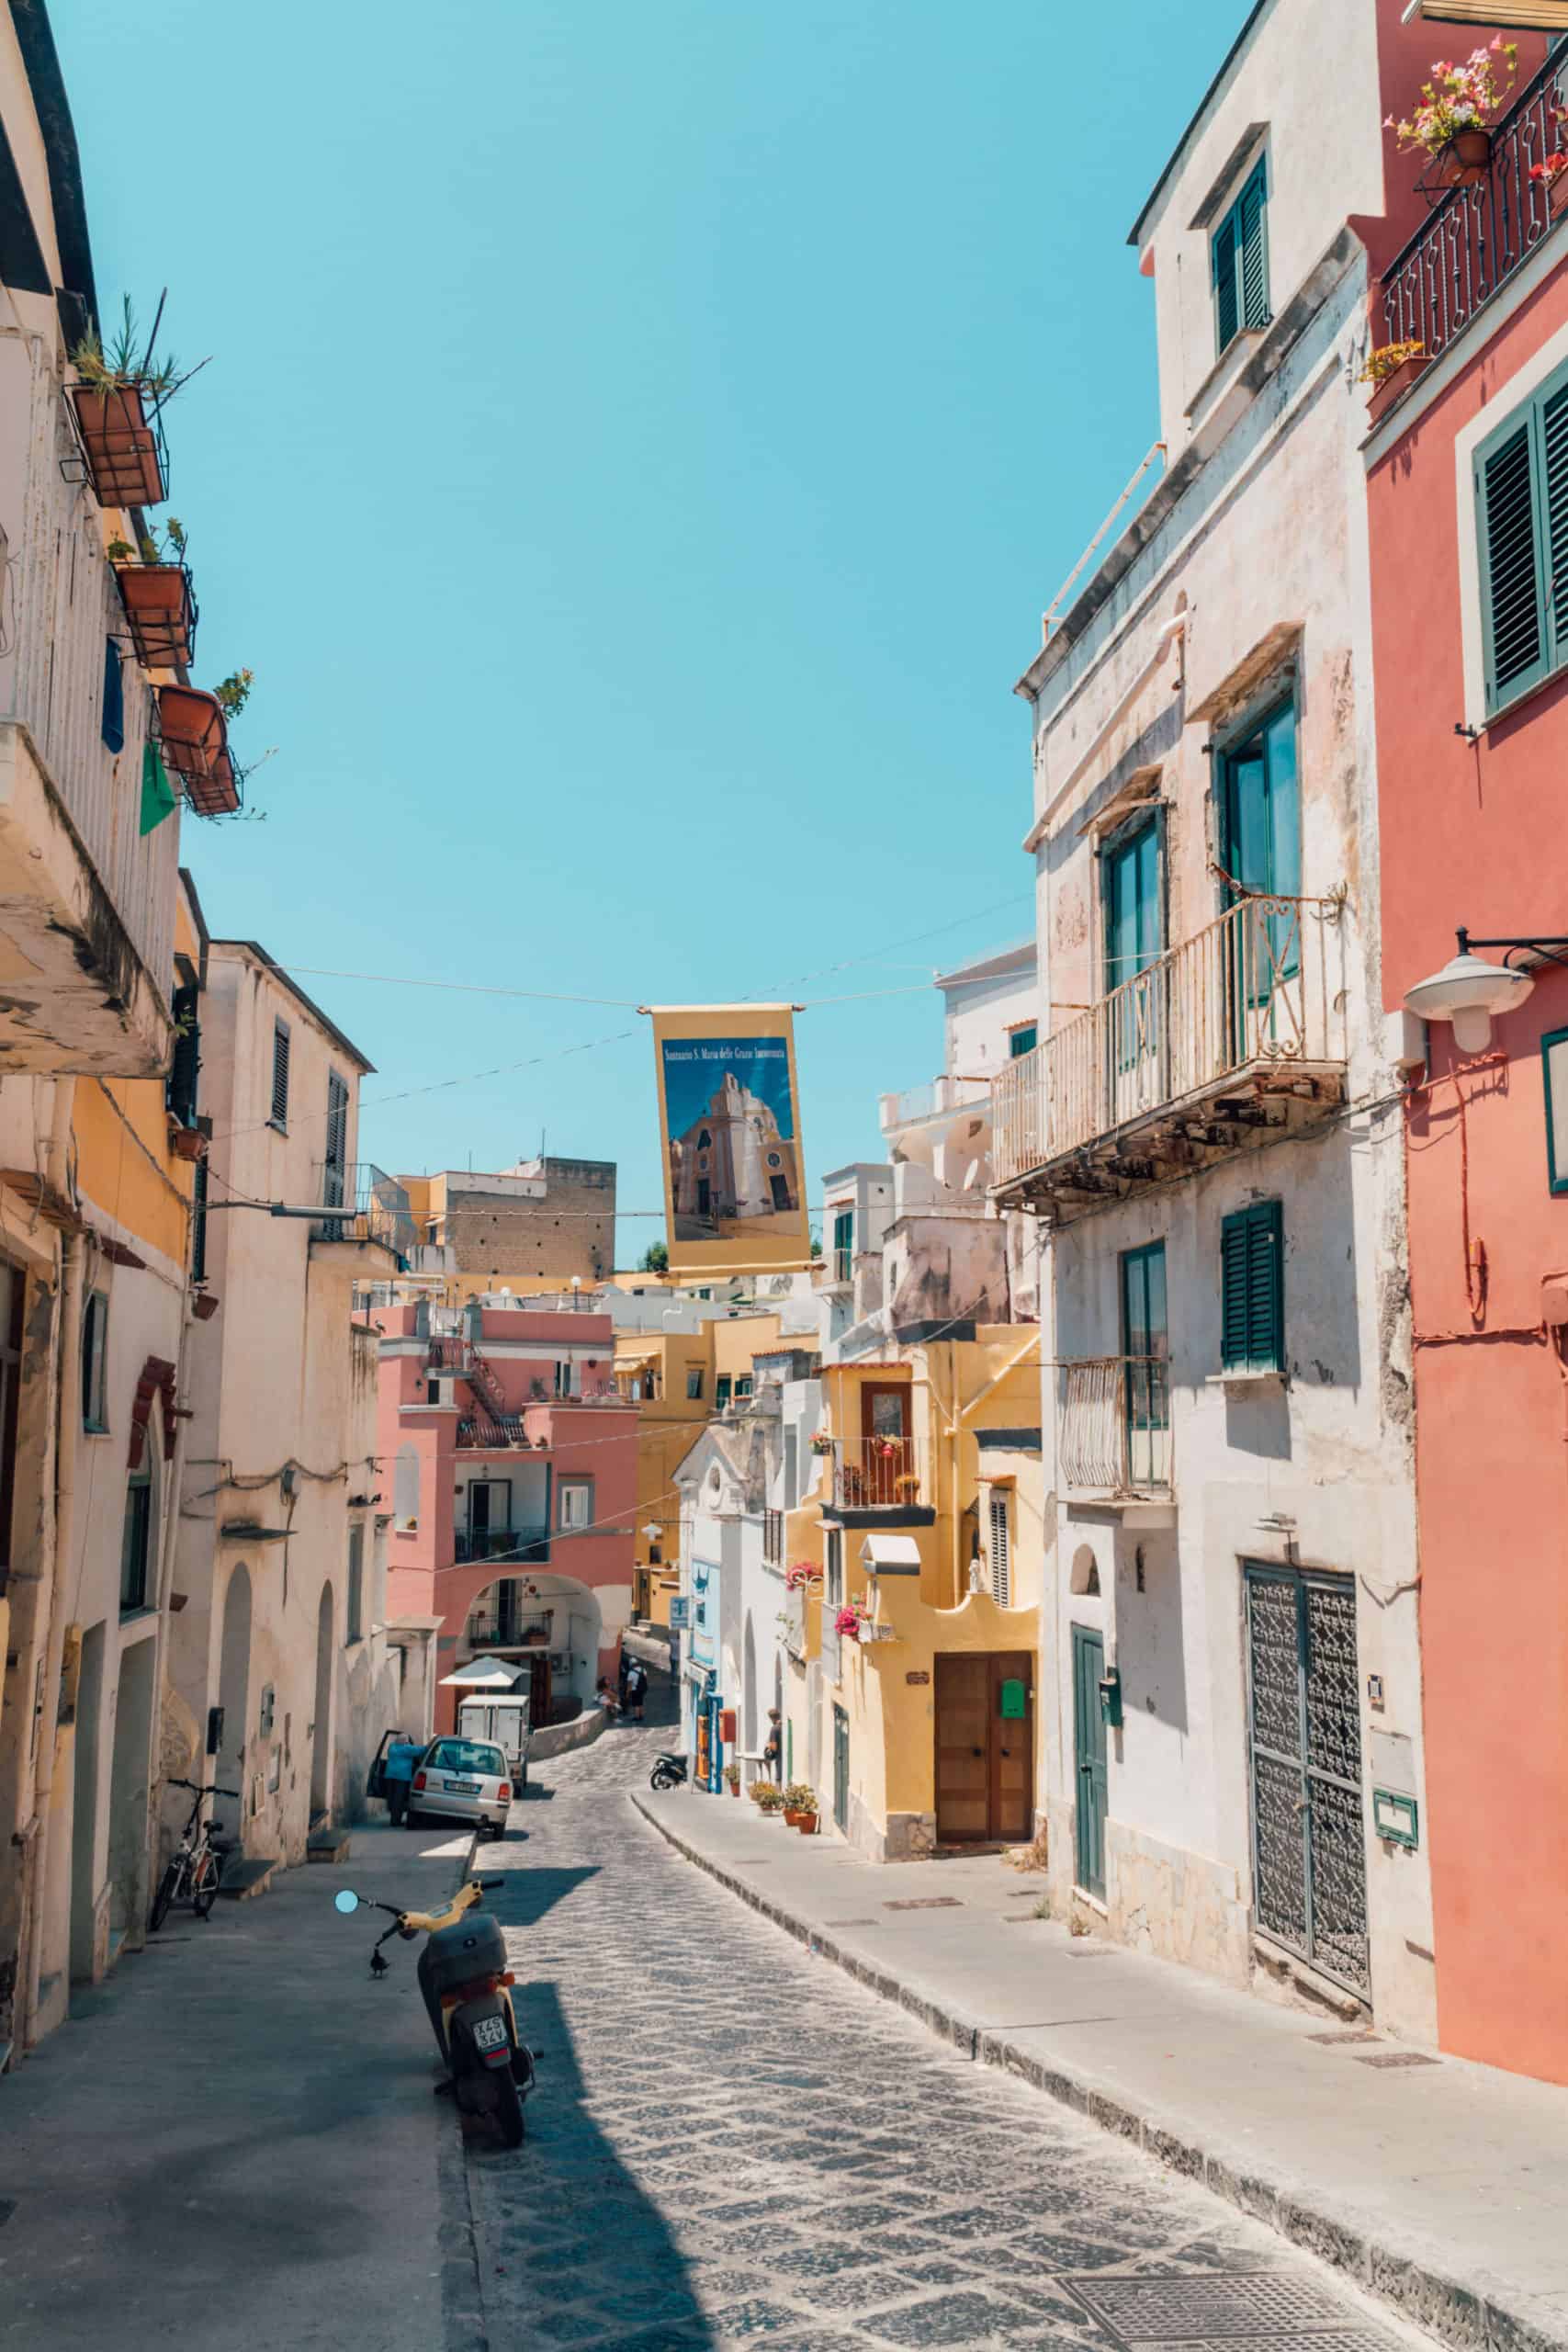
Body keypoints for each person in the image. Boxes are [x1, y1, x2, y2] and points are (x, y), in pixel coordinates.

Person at [382, 1734, 424, 1826]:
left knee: (392, 1799)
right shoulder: (406, 1749)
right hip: (402, 1777)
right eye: (407, 1740)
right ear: (405, 1741)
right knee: (399, 1800)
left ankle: (393, 1819)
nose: (408, 1742)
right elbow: (421, 1750)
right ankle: (395, 1821)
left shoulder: (392, 1747)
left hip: (389, 1776)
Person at [624, 1657, 648, 1724]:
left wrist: (627, 1693)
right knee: (640, 1702)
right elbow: (645, 1679)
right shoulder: (644, 1670)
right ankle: (641, 1715)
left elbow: (629, 1685)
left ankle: (637, 1717)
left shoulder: (631, 1673)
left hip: (635, 1690)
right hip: (643, 1689)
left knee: (636, 1704)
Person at [762, 1708, 783, 1782]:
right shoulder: (783, 1726)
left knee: (779, 1785)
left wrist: (767, 1748)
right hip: (784, 1762)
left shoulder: (774, 1729)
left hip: (779, 1761)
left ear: (772, 1718)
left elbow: (773, 1748)